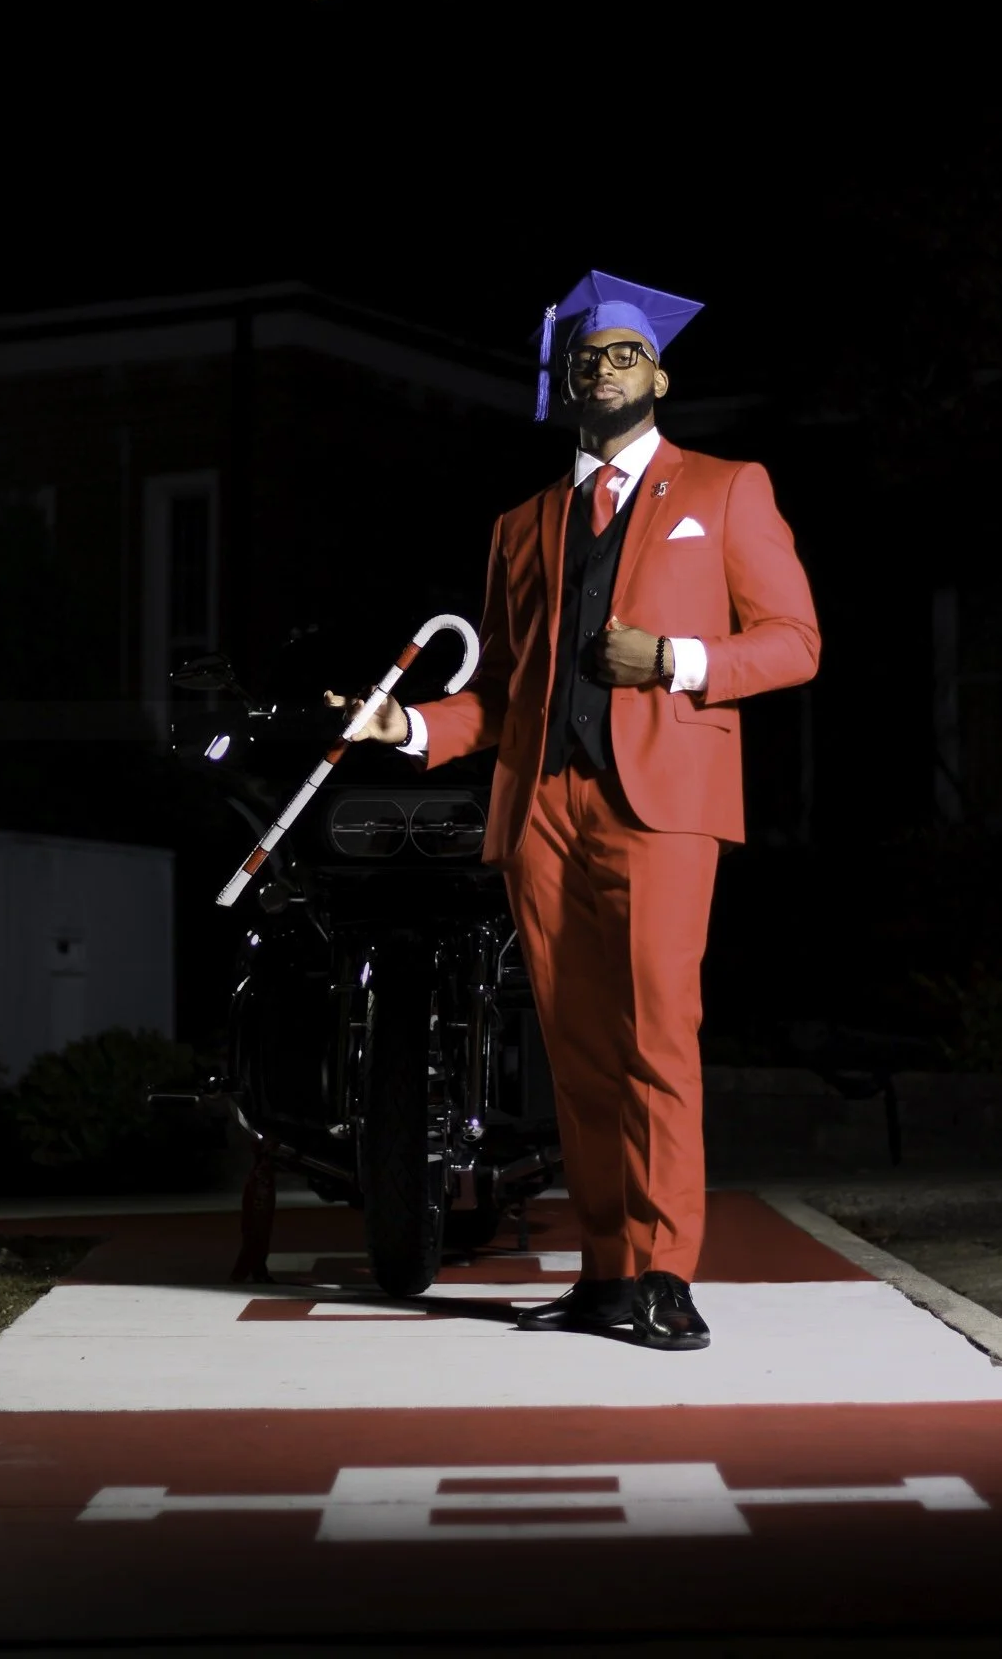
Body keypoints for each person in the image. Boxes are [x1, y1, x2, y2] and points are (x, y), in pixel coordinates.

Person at [324, 271, 820, 1349]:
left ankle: (666, 1274)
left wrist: (675, 659)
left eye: (622, 355)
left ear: (659, 374)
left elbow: (794, 643)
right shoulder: (522, 526)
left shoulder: (725, 490)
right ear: (564, 386)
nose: (601, 368)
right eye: (583, 358)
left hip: (661, 802)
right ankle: (604, 1272)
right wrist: (404, 729)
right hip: (542, 805)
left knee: (659, 1041)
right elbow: (502, 692)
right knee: (581, 1054)